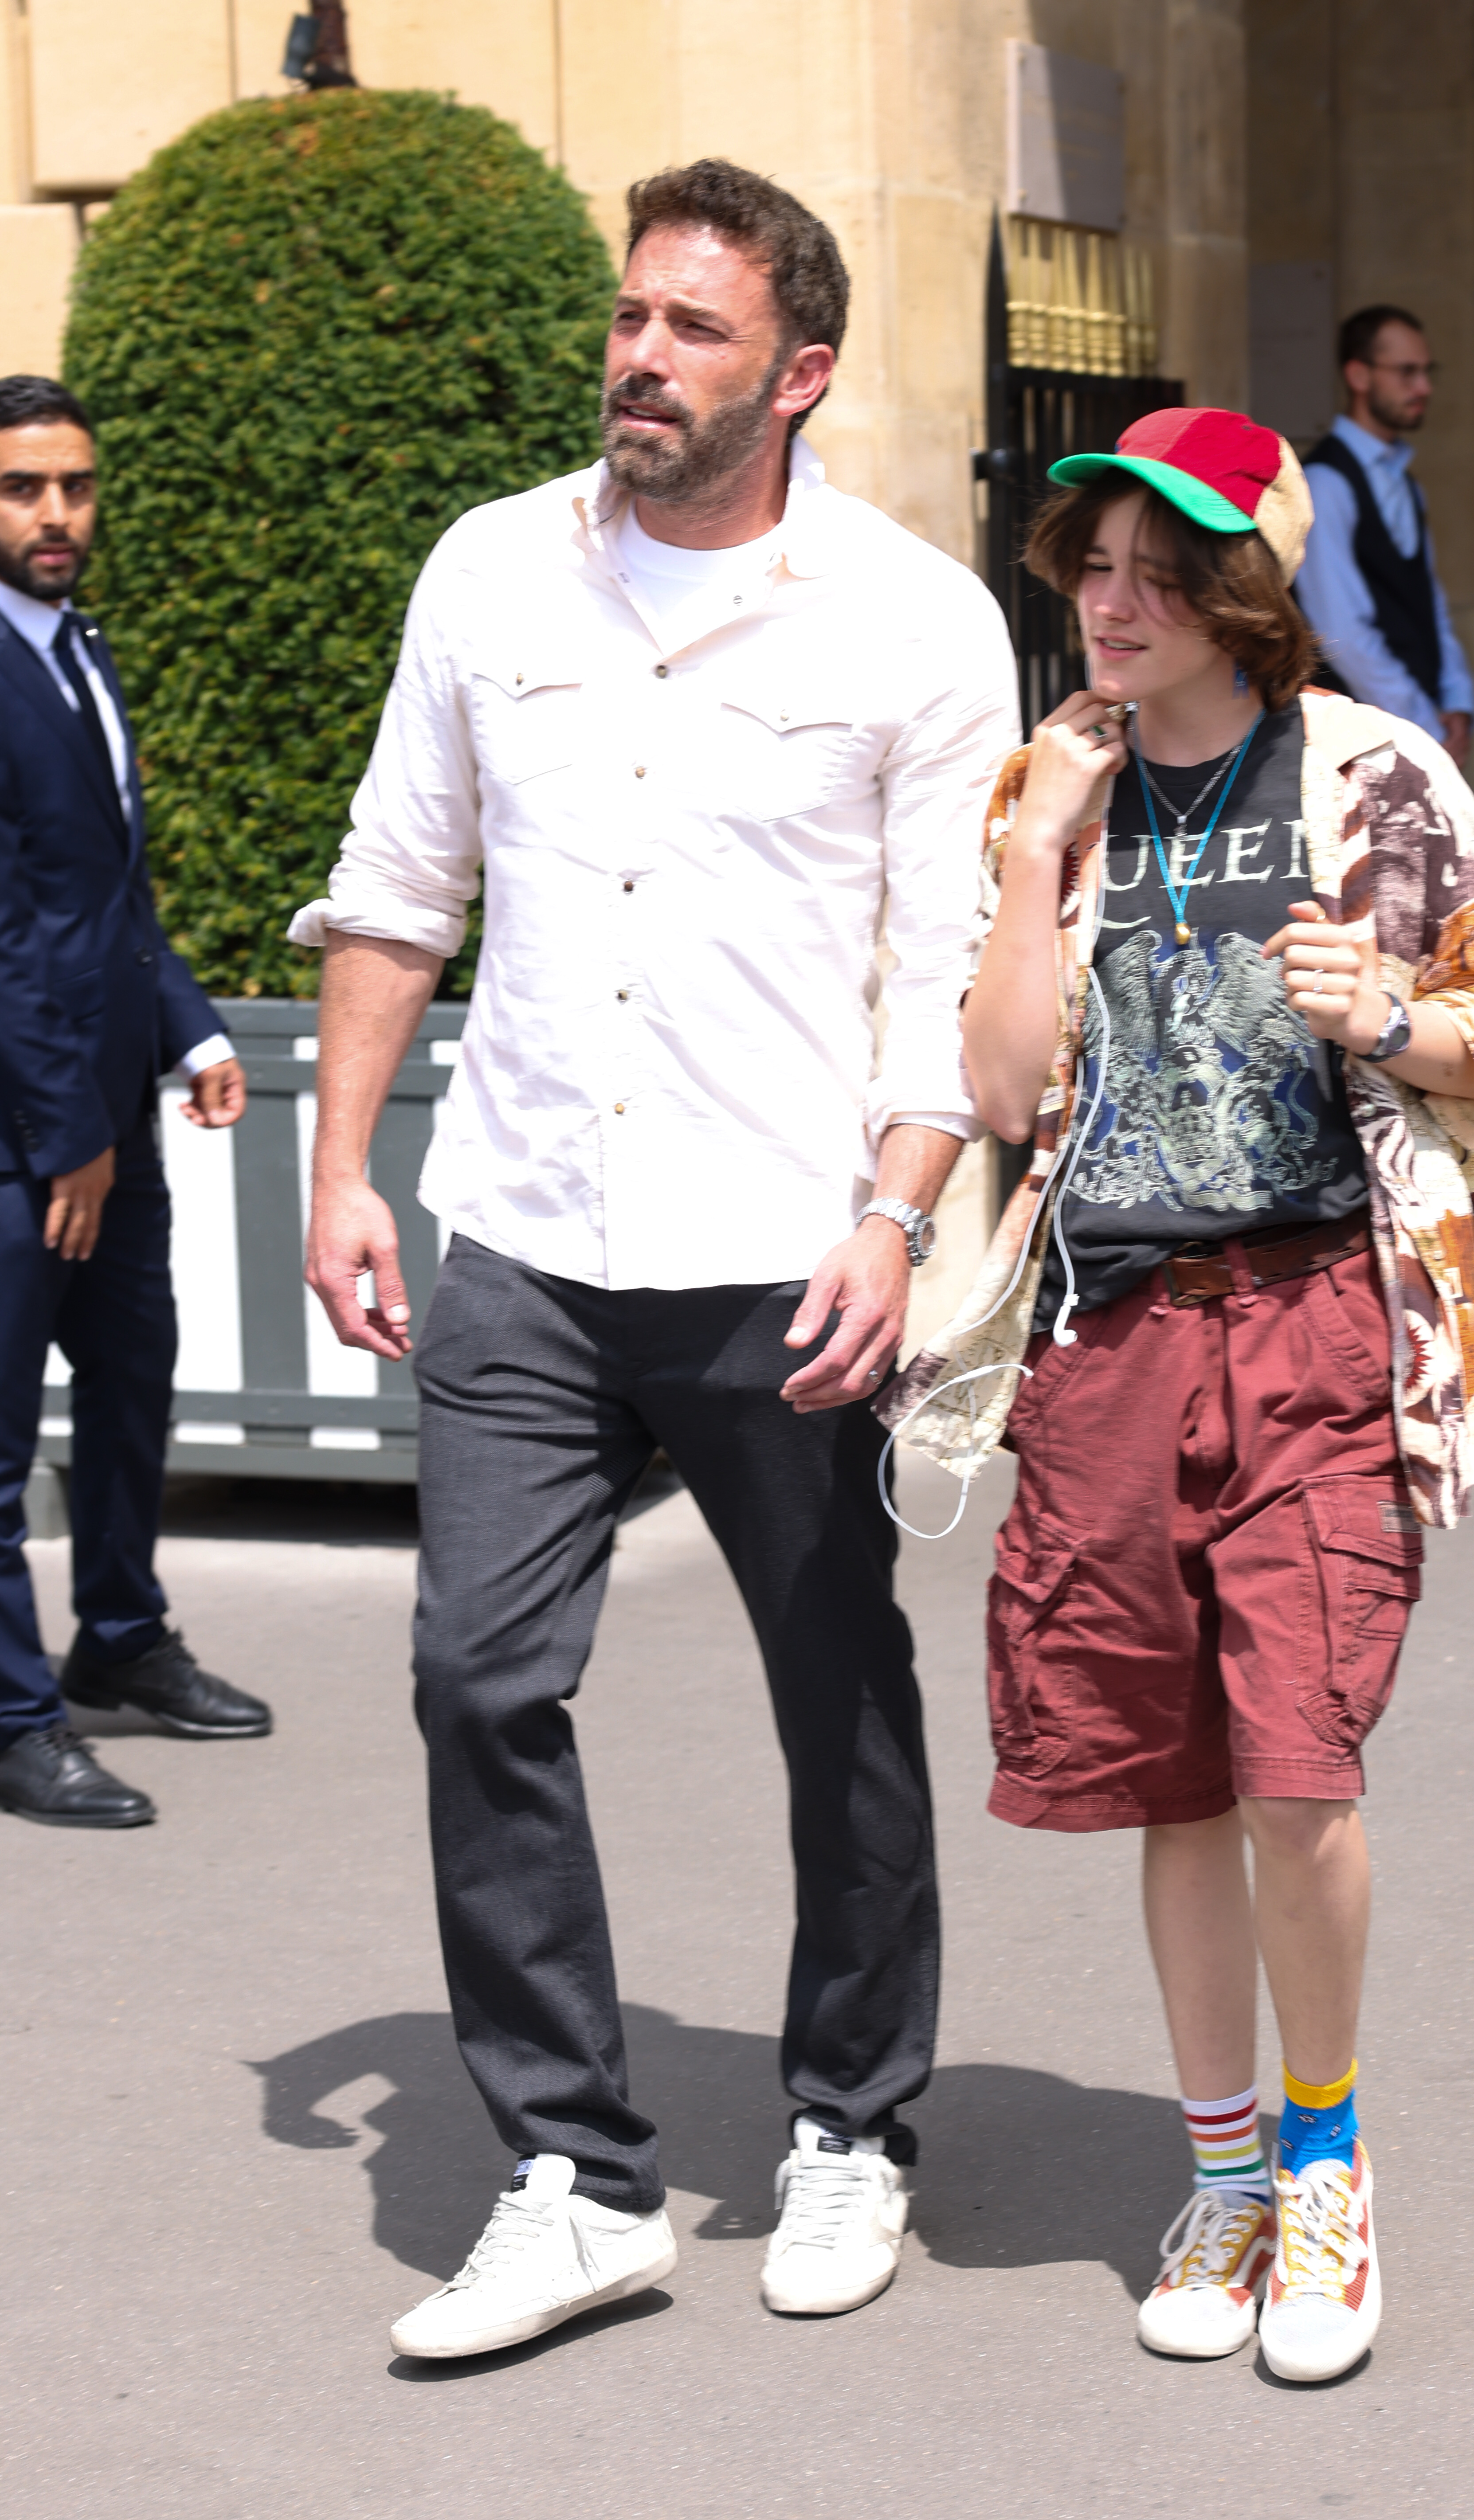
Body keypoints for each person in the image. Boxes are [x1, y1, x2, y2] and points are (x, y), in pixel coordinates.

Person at [289, 159, 1019, 2359]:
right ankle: (571, 2166)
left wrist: (893, 1217)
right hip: (521, 1226)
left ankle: (849, 2118)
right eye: (629, 317)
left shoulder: (911, 621)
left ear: (798, 371)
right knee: (475, 1677)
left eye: (691, 329)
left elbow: (947, 966)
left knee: (833, 1694)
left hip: (779, 1247)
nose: (636, 354)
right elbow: (400, 879)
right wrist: (338, 1163)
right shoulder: (492, 571)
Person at [886, 405, 1474, 2383]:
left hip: (1318, 1322)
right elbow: (999, 1097)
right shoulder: (1050, 787)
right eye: (1089, 563)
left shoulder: (1374, 777)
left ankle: (1328, 2162)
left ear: (1237, 587)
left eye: (1154, 568)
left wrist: (1392, 1015)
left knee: (1297, 1763)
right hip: (1104, 1337)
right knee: (1167, 1775)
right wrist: (1024, 868)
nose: (1109, 598)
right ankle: (1224, 2169)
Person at [0, 375, 273, 1831]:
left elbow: (103, 895)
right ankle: (14, 1717)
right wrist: (69, 1140)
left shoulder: (76, 649)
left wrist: (188, 1027)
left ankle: (119, 1638)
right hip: (31, 1140)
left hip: (110, 1117)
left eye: (75, 486)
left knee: (130, 1394)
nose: (56, 513)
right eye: (24, 488)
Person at [1294, 305, 1474, 771]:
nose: (1424, 388)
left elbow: (1428, 601)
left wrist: (1456, 701)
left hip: (1412, 734)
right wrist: (1425, 728)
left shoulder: (1406, 483)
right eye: (1406, 372)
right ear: (1358, 375)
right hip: (1355, 748)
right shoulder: (1324, 483)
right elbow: (1342, 634)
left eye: (1426, 371)